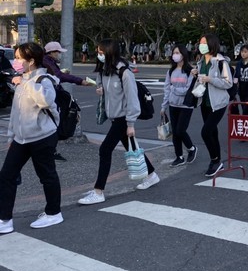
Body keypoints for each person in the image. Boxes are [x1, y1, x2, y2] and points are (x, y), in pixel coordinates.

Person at [78, 39, 160, 205]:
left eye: (101, 52)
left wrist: (130, 124)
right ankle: (152, 175)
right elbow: (106, 89)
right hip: (115, 116)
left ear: (109, 52)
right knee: (131, 147)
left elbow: (132, 100)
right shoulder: (105, 70)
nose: (98, 55)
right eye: (98, 52)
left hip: (123, 117)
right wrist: (101, 89)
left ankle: (98, 191)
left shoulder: (124, 72)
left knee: (105, 149)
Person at [0, 42, 63, 233]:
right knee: (6, 176)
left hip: (42, 136)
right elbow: (16, 112)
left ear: (31, 60)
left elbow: (45, 100)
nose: (16, 61)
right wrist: (11, 135)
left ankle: (53, 213)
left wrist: (25, 83)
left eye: (19, 58)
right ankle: (5, 219)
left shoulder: (44, 79)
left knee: (46, 175)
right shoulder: (22, 79)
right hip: (21, 138)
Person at [43, 41, 94, 162]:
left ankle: (50, 149)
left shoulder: (48, 61)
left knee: (53, 121)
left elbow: (56, 75)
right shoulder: (47, 61)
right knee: (56, 121)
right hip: (52, 94)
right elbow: (58, 76)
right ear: (52, 52)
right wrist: (80, 81)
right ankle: (50, 150)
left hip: (53, 92)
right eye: (58, 52)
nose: (59, 54)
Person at [197, 33, 233, 177]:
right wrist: (197, 75)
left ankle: (214, 160)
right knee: (212, 132)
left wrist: (210, 79)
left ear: (211, 44)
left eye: (204, 42)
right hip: (204, 101)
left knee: (205, 132)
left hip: (218, 102)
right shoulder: (200, 61)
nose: (201, 45)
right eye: (200, 43)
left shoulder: (220, 61)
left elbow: (228, 82)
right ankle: (217, 161)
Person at [160, 44, 198, 168]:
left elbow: (188, 90)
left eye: (177, 52)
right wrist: (163, 106)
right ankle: (179, 157)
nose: (174, 55)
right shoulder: (170, 71)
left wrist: (174, 89)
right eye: (173, 53)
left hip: (186, 105)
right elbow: (166, 89)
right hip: (173, 104)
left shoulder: (190, 71)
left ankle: (191, 148)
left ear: (183, 54)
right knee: (175, 133)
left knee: (180, 130)